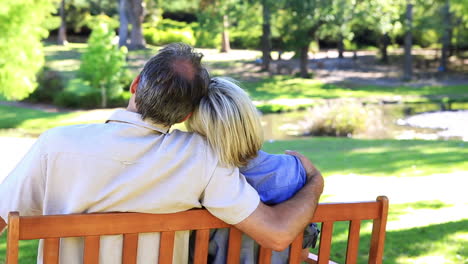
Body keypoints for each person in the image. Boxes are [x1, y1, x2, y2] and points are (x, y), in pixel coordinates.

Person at [0, 43, 323, 264]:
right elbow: (278, 234)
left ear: (135, 84)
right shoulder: (202, 158)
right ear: (185, 116)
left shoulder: (56, 145)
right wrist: (314, 183)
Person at [186, 77, 319, 263]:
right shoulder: (294, 170)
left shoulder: (193, 178)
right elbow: (301, 253)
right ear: (250, 120)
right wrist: (315, 179)